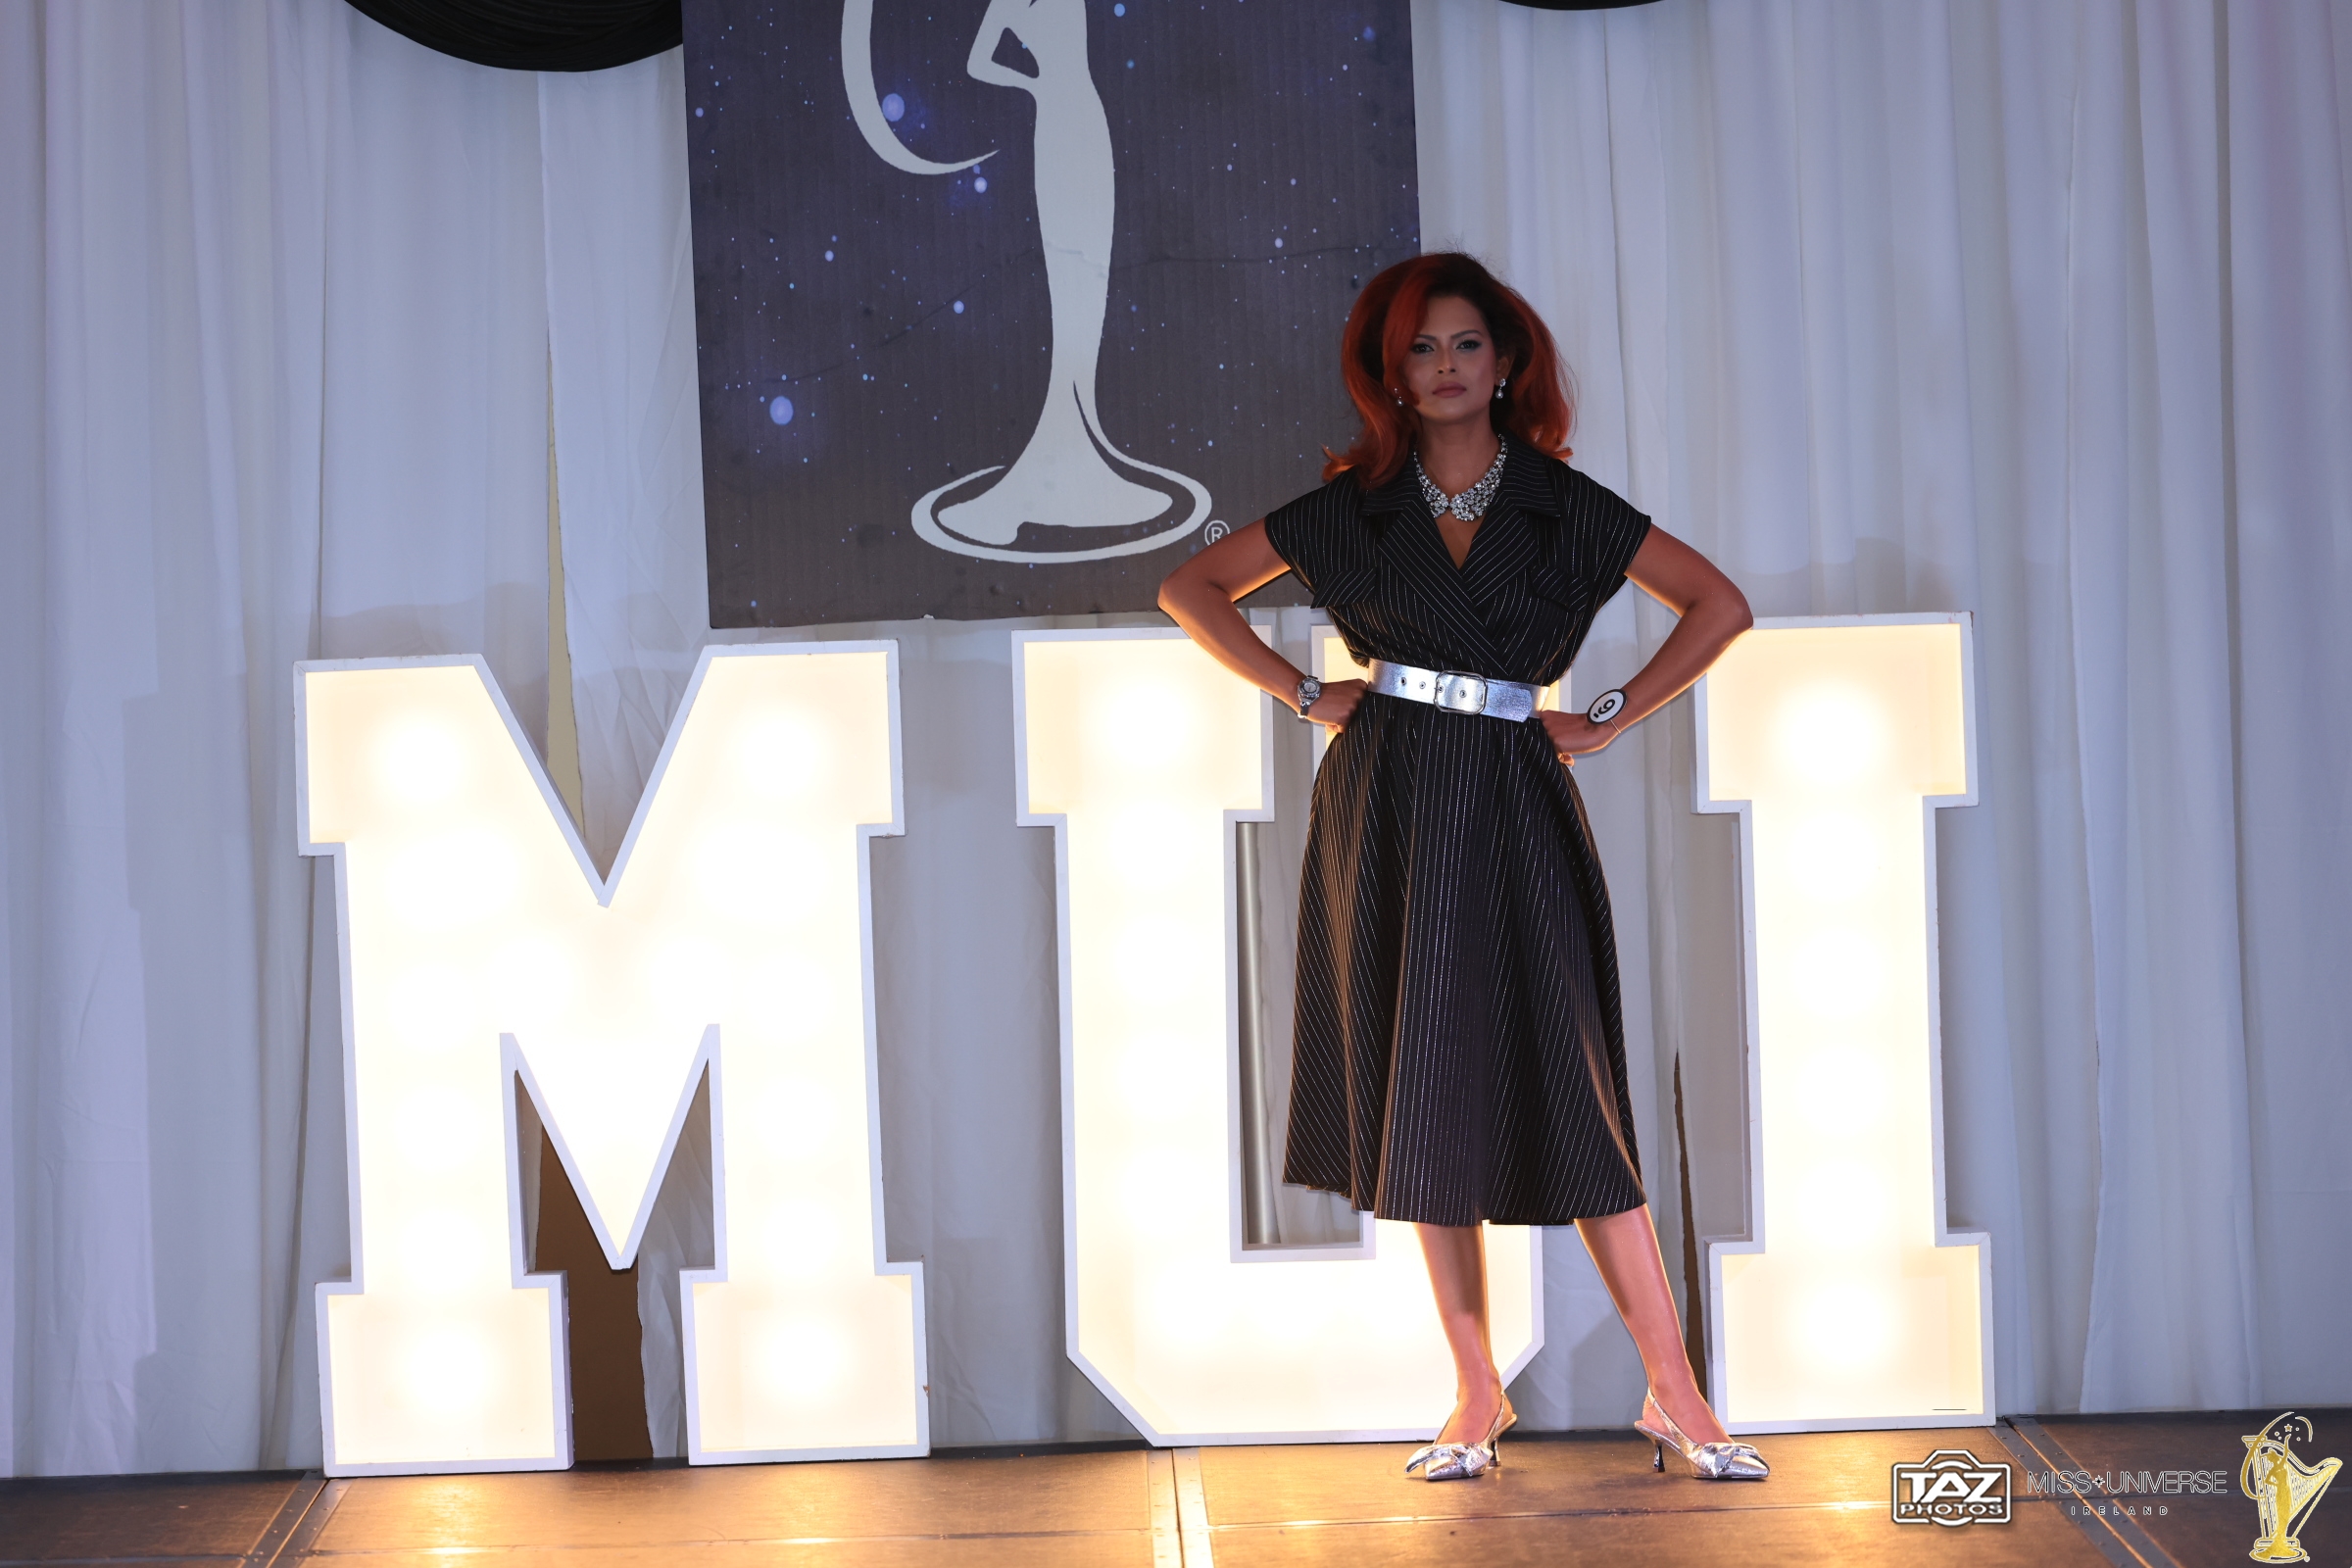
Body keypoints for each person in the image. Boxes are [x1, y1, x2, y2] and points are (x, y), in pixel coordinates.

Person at [1158, 254, 1764, 1484]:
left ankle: (1678, 1394)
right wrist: (1300, 690)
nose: (1444, 367)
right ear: (1392, 373)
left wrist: (1608, 714)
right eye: (1421, 349)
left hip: (1515, 789)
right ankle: (1477, 1394)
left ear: (1505, 363)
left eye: (1465, 344)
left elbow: (1718, 604)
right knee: (1422, 1083)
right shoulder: (1355, 508)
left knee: (1574, 1092)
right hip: (1388, 795)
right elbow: (1190, 585)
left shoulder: (1560, 502)